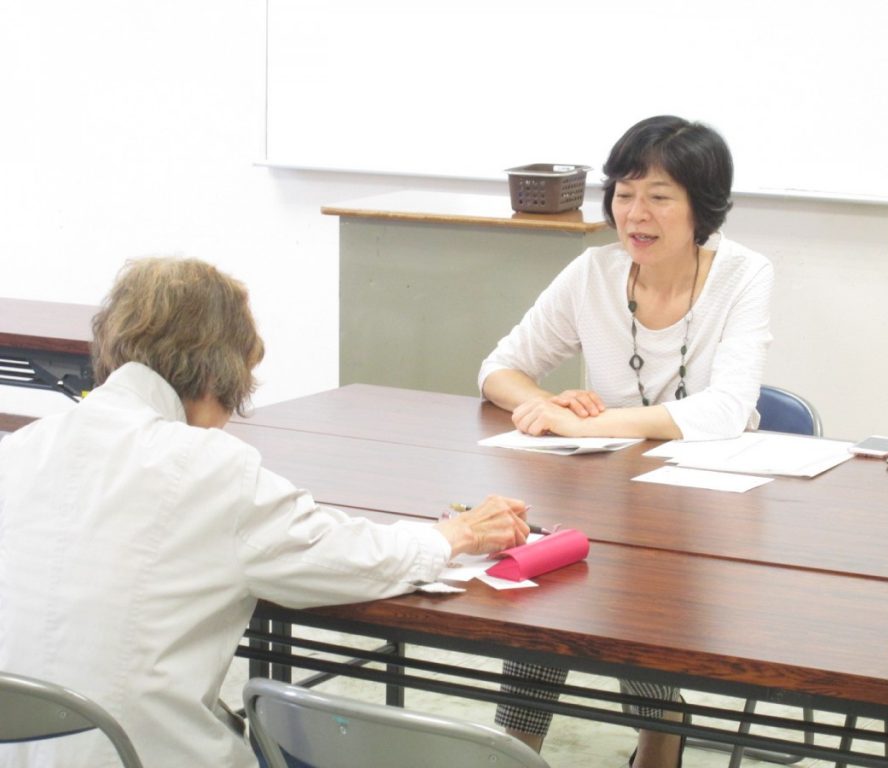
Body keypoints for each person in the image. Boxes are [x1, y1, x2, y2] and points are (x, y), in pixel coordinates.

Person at [0, 257, 529, 768]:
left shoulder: (19, 448)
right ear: (220, 374)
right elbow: (344, 557)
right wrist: (455, 535)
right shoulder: (209, 467)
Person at [479, 115, 774, 767]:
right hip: (607, 489)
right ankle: (518, 749)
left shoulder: (743, 275)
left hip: (708, 503)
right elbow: (499, 369)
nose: (635, 214)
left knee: (636, 595)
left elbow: (728, 409)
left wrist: (587, 425)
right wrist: (540, 403)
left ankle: (659, 733)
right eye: (624, 193)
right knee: (549, 587)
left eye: (659, 196)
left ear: (703, 206)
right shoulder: (594, 272)